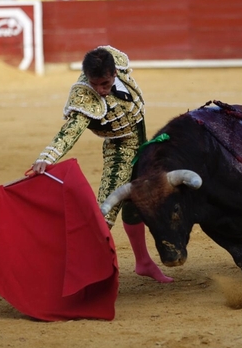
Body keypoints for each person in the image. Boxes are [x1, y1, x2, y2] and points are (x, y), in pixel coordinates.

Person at [30, 46, 173, 284]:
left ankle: (144, 262)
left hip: (145, 146)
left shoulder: (114, 61)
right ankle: (80, 273)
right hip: (119, 151)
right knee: (105, 213)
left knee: (145, 199)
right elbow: (71, 130)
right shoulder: (84, 97)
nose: (100, 91)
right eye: (94, 84)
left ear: (115, 72)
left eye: (105, 84)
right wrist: (47, 156)